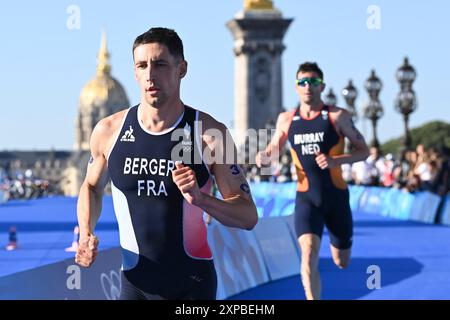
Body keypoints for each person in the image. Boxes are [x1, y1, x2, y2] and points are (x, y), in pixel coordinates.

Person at [74, 27, 258, 300]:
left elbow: (247, 217)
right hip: (134, 285)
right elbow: (91, 187)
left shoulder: (208, 134)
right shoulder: (108, 131)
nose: (150, 75)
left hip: (192, 285)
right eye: (142, 65)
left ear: (181, 68)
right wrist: (86, 232)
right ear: (134, 72)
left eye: (160, 64)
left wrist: (201, 200)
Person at [256, 62, 369, 300]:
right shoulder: (287, 119)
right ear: (296, 87)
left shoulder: (337, 116)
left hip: (336, 197)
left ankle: (341, 246)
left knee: (341, 261)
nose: (308, 86)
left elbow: (364, 151)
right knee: (308, 253)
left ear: (322, 86)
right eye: (303, 82)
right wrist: (264, 156)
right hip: (307, 198)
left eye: (313, 82)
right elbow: (273, 150)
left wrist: (337, 161)